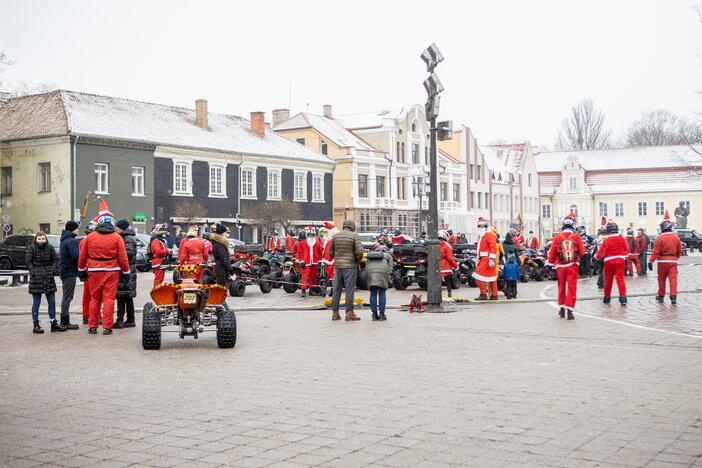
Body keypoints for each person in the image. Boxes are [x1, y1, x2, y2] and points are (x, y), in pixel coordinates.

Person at [78, 214, 130, 335]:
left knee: (95, 298)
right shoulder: (117, 238)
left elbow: (82, 256)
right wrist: (126, 272)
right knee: (109, 298)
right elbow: (123, 258)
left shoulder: (89, 237)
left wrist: (81, 270)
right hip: (112, 271)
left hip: (94, 270)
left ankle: (92, 326)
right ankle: (107, 326)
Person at [547, 213, 585, 320]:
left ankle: (562, 309)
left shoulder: (558, 237)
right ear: (573, 226)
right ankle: (570, 310)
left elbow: (552, 253)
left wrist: (550, 264)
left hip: (560, 266)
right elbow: (582, 252)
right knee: (572, 288)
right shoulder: (576, 237)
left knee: (561, 287)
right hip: (572, 265)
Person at [27, 232, 66, 333]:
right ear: (36, 239)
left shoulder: (50, 247)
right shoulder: (32, 248)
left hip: (49, 278)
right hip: (36, 279)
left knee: (52, 302)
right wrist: (33, 271)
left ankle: (53, 323)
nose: (41, 240)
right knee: (36, 303)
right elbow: (28, 262)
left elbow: (55, 260)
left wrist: (53, 270)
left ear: (46, 239)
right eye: (39, 238)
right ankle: (36, 325)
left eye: (43, 238)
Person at [329, 219, 364, 321]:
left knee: (337, 289)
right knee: (349, 290)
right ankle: (349, 313)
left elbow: (331, 253)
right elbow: (360, 252)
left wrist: (338, 258)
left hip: (338, 266)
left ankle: (335, 313)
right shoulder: (354, 236)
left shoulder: (335, 236)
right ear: (353, 226)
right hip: (350, 267)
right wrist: (356, 260)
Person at [649, 211, 683, 304]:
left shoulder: (659, 238)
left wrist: (650, 261)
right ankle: (673, 297)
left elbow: (655, 252)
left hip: (662, 262)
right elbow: (680, 251)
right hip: (673, 261)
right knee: (673, 280)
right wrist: (675, 258)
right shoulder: (676, 238)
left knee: (661, 279)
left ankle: (661, 296)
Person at [595, 220, 630, 306]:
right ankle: (623, 298)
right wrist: (624, 256)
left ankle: (607, 298)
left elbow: (601, 253)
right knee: (620, 280)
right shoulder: (622, 239)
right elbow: (627, 250)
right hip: (620, 262)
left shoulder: (607, 240)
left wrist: (596, 256)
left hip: (609, 262)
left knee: (608, 281)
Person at [114, 219, 137, 329]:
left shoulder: (127, 238)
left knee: (122, 296)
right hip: (127, 270)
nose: (115, 229)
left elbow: (129, 254)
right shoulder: (127, 237)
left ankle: (120, 320)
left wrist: (116, 254)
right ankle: (130, 319)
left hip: (126, 271)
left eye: (117, 228)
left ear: (122, 228)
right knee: (126, 296)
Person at [58, 220, 81, 330]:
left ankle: (64, 320)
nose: (78, 230)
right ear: (73, 229)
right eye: (77, 228)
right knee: (67, 297)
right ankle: (65, 321)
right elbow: (76, 256)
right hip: (69, 272)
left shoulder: (65, 239)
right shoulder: (71, 241)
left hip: (65, 271)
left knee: (66, 297)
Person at [472, 217, 498, 301]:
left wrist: (491, 259)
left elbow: (493, 247)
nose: (480, 228)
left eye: (481, 226)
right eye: (478, 226)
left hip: (487, 259)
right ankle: (494, 295)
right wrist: (478, 258)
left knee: (477, 275)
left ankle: (484, 293)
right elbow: (480, 249)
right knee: (491, 278)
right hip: (483, 259)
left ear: (486, 226)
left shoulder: (489, 235)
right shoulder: (481, 236)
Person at [365, 244, 393, 321]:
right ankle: (381, 315)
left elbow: (366, 265)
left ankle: (374, 315)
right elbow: (390, 268)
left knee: (373, 293)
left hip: (370, 273)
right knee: (382, 293)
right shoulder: (388, 255)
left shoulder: (370, 255)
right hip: (382, 273)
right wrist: (387, 276)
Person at [296, 227, 323, 298]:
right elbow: (300, 253)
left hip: (315, 262)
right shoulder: (302, 243)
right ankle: (303, 290)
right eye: (309, 235)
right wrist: (301, 261)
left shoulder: (317, 243)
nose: (311, 236)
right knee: (305, 276)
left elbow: (320, 253)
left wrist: (320, 261)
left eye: (312, 235)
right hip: (306, 262)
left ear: (314, 235)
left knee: (313, 276)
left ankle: (312, 290)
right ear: (307, 235)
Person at [80, 217, 98, 324]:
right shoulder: (90, 240)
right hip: (92, 269)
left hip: (87, 268)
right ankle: (94, 316)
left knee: (87, 295)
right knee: (95, 295)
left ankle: (86, 315)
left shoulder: (83, 240)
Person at [439, 230, 459, 297]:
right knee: (448, 281)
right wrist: (456, 266)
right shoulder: (447, 246)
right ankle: (449, 294)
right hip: (445, 267)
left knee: (437, 282)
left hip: (436, 266)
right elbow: (450, 258)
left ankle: (437, 296)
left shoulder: (434, 245)